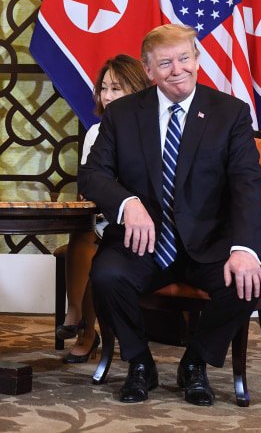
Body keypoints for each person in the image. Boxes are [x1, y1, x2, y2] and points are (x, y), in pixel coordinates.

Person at [78, 24, 261, 406]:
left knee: (244, 283)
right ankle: (140, 362)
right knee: (106, 275)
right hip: (141, 241)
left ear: (197, 60)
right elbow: (93, 174)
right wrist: (128, 204)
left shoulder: (229, 113)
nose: (177, 69)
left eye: (184, 58)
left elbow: (249, 183)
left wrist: (246, 247)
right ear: (149, 70)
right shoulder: (123, 114)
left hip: (209, 241)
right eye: (165, 63)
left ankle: (195, 363)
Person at [59, 55, 150, 364]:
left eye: (117, 88)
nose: (107, 96)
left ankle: (85, 329)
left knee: (95, 242)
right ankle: (79, 318)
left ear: (136, 89)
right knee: (83, 233)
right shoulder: (97, 133)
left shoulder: (153, 128)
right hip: (106, 216)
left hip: (142, 222)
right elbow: (92, 187)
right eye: (104, 88)